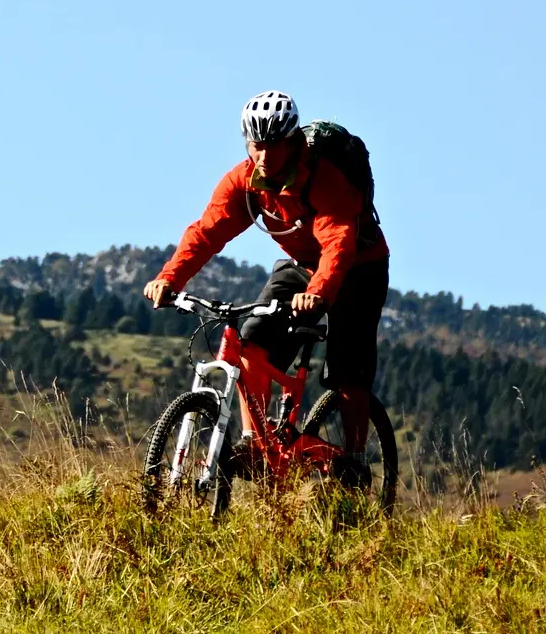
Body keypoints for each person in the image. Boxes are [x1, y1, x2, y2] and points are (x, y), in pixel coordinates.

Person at [142, 90, 389, 475]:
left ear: (291, 142)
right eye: (257, 146)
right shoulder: (244, 183)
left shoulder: (323, 178)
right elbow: (206, 233)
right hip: (302, 265)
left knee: (347, 373)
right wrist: (168, 278)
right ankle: (255, 444)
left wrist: (318, 293)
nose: (265, 156)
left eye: (273, 146)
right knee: (251, 340)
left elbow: (338, 240)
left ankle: (355, 461)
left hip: (358, 267)